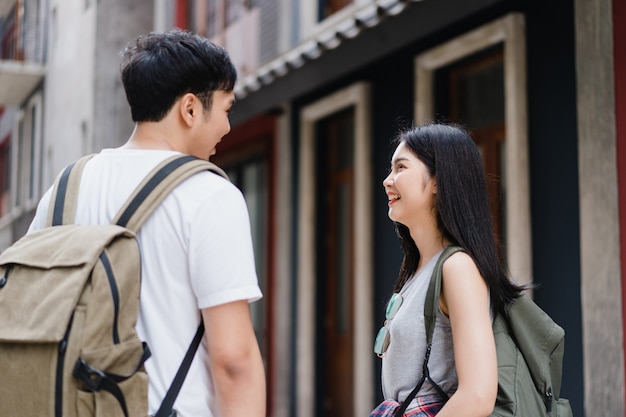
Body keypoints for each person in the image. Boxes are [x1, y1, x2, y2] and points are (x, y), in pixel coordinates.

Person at [28, 29, 266, 417]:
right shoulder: (209, 195)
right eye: (226, 109)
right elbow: (234, 361)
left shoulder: (65, 186)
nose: (227, 127)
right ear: (190, 109)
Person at [374, 123, 524, 416]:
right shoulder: (418, 271)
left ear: (438, 181)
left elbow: (477, 395)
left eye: (400, 168)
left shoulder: (457, 268)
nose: (387, 181)